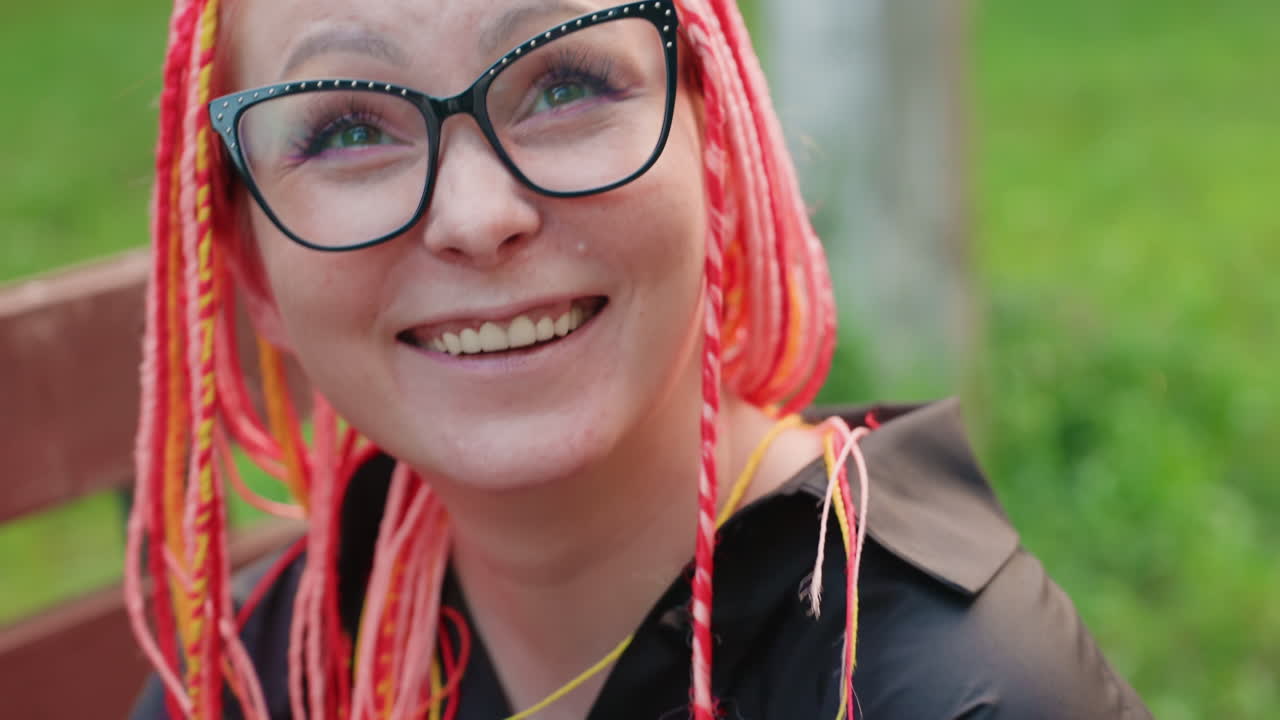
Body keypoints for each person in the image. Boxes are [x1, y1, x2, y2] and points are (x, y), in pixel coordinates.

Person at [127, 0, 1152, 718]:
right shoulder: (261, 676)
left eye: (564, 84)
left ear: (717, 140)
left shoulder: (947, 693)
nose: (477, 216)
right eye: (349, 129)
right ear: (252, 273)